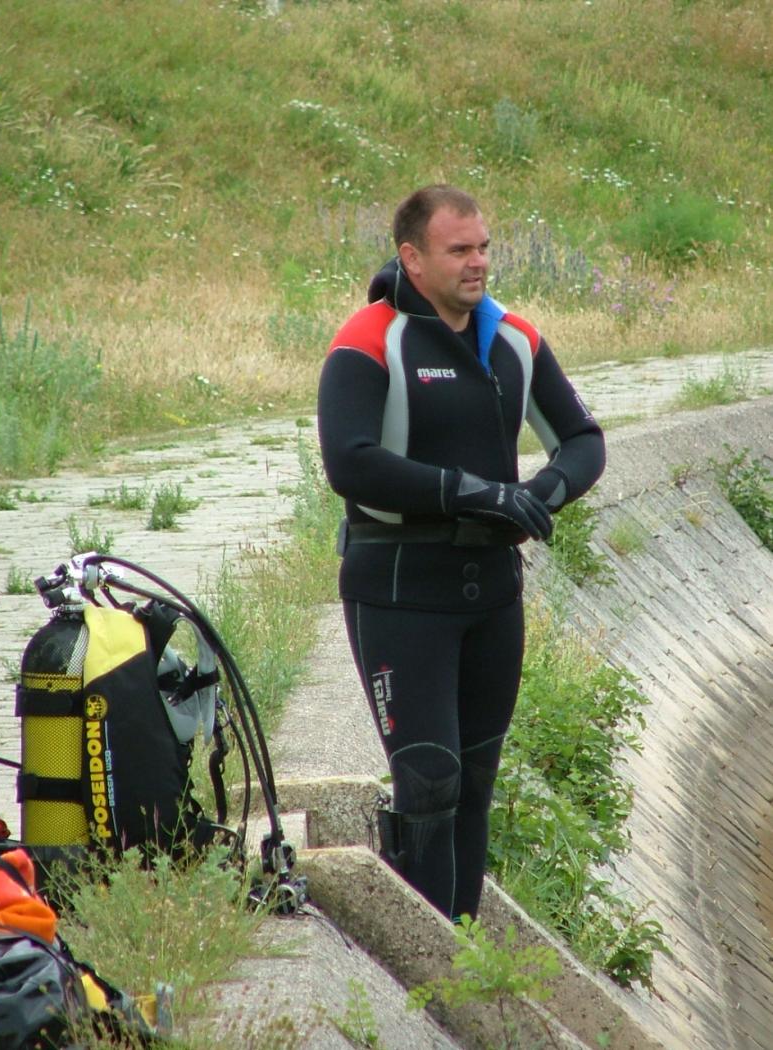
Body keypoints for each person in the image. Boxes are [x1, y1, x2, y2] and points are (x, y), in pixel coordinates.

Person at [317, 185, 605, 921]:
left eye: (483, 247)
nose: (478, 262)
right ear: (412, 258)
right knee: (427, 784)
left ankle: (464, 956)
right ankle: (422, 961)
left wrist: (539, 493)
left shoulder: (512, 339)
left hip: (491, 593)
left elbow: (582, 440)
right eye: (459, 250)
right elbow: (349, 462)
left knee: (474, 783)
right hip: (398, 591)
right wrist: (473, 492)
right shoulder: (368, 339)